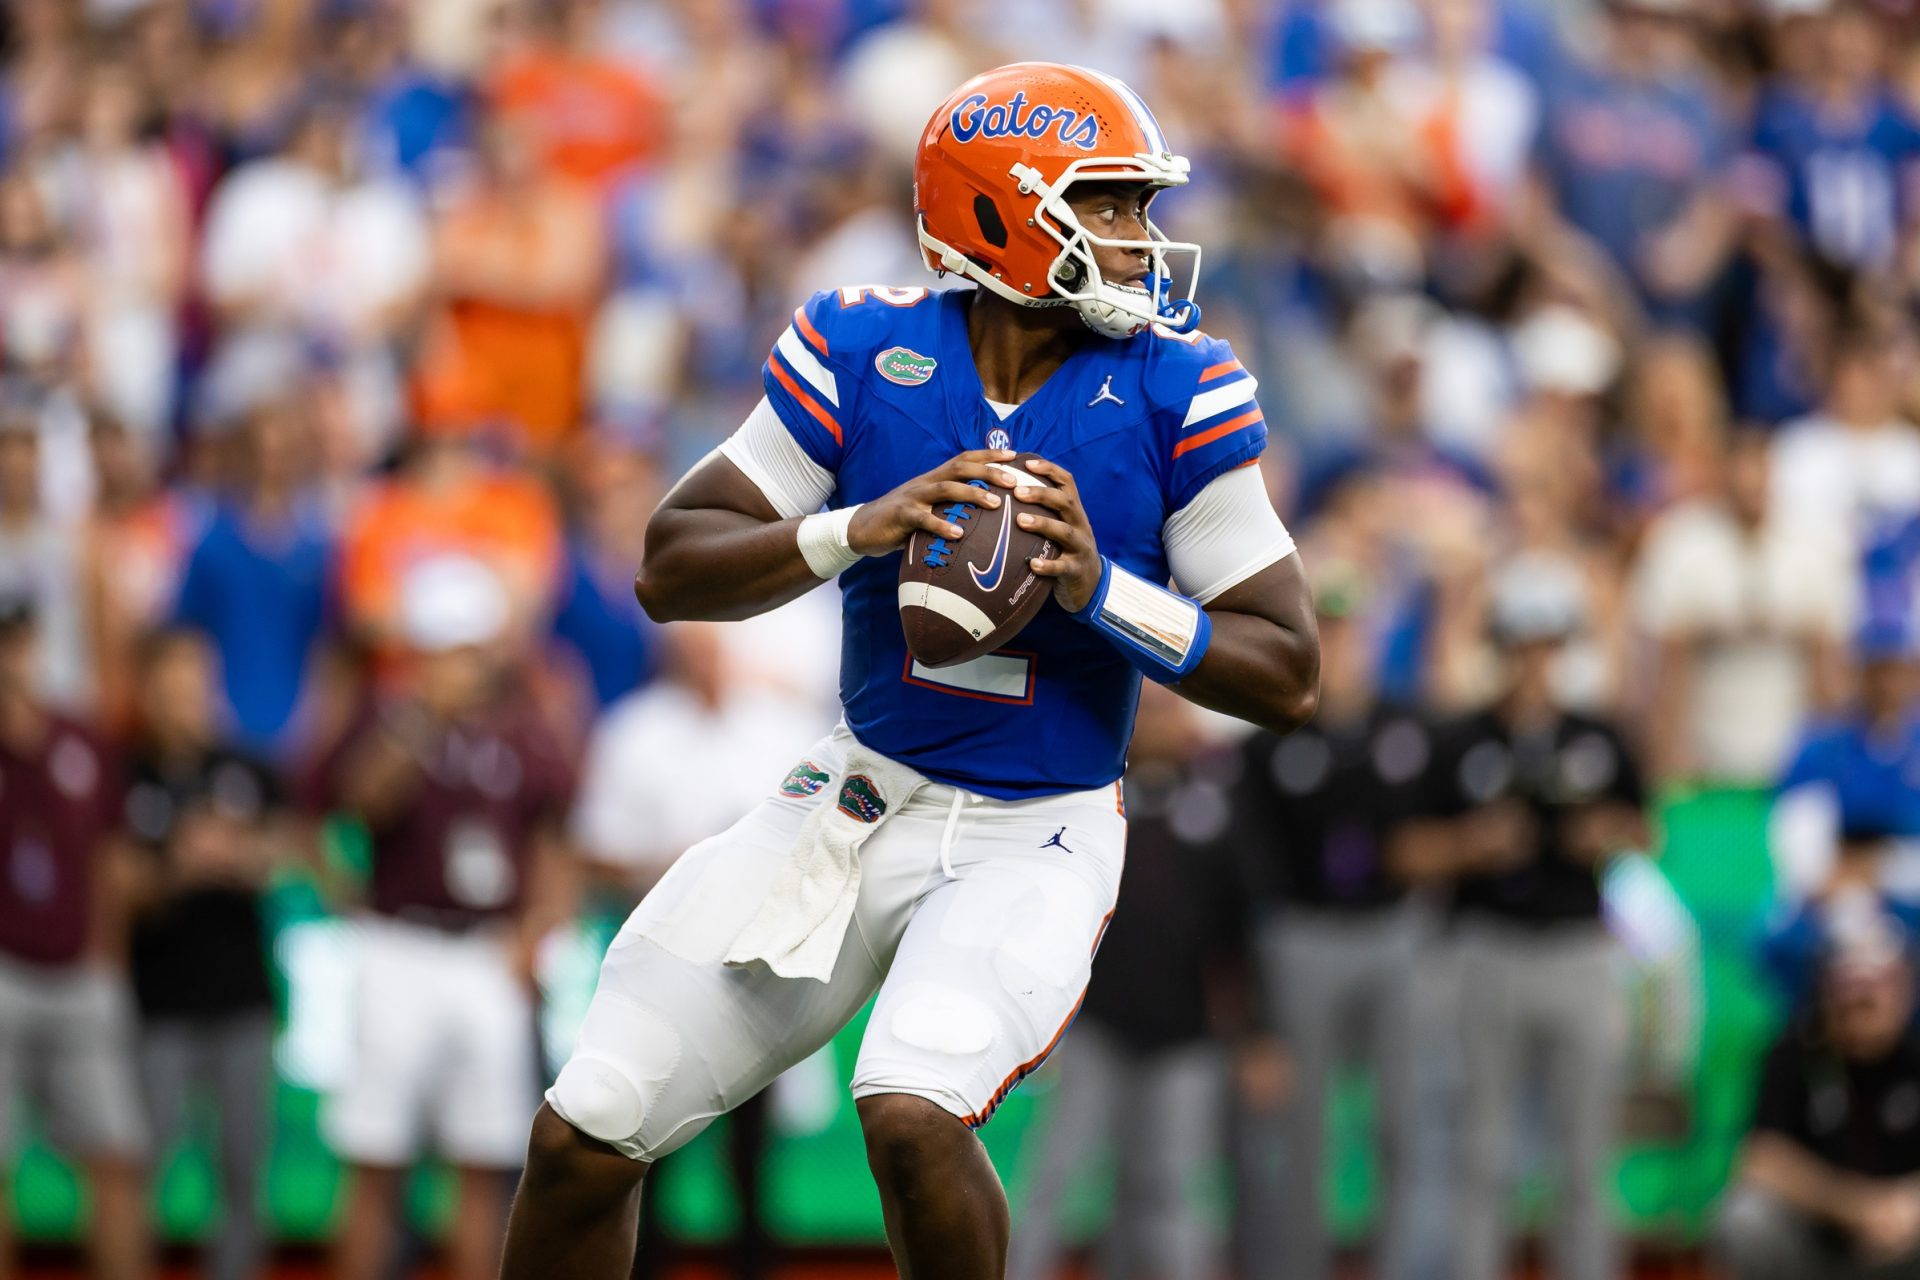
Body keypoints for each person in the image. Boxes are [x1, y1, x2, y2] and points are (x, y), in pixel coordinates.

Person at [499, 61, 1319, 1280]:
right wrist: (853, 527)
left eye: (1142, 207)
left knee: (912, 1109)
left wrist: (1105, 594)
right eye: (1107, 205)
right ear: (1000, 212)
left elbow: (1285, 664)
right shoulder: (863, 346)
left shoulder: (1177, 385)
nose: (1141, 239)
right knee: (586, 1127)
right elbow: (674, 561)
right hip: (856, 796)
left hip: (1033, 827)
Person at [314, 556, 577, 1280]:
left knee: (485, 1166)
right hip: (400, 945)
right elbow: (360, 805)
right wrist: (420, 717)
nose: (470, 663)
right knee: (376, 1158)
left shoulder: (524, 726)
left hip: (487, 952)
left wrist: (537, 932)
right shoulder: (388, 714)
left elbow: (553, 835)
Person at [1396, 559, 1649, 1280]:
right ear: (1500, 648)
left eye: (1547, 645)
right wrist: (1469, 847)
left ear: (1564, 650)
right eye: (1521, 644)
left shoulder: (1600, 735)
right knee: (1482, 1154)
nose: (1535, 661)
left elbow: (1644, 829)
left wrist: (1603, 833)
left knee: (1586, 1154)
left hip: (1578, 949)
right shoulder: (1459, 738)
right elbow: (1406, 852)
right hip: (1489, 949)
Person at [1006, 684, 1271, 1280]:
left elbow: (1242, 931)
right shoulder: (1089, 799)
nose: (1159, 724)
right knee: (1054, 1178)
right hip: (1093, 1026)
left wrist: (1256, 1032)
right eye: (1146, 711)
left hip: (1186, 1034)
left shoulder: (1218, 807)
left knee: (1172, 1190)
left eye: (1168, 710)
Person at [1229, 565, 1438, 1280]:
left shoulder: (1411, 727)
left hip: (1393, 930)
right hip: (1303, 934)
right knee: (1304, 1131)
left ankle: (1398, 1267)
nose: (1345, 646)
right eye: (1333, 629)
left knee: (1403, 1120)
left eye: (1355, 631)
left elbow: (1442, 829)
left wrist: (1432, 856)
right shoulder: (1269, 732)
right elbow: (1249, 869)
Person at [122, 627, 282, 1280]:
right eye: (174, 681)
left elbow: (297, 857)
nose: (188, 695)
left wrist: (237, 856)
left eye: (198, 680)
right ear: (149, 689)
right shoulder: (121, 772)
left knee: (244, 1168)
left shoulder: (247, 767)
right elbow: (115, 885)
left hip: (242, 997)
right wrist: (178, 869)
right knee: (142, 1162)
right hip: (155, 1001)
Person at [0, 597, 150, 1280]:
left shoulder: (81, 739)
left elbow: (112, 858)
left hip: (80, 971)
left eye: (16, 640)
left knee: (116, 1155)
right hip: (5, 970)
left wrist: (106, 959)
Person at [1715, 911, 1920, 1279]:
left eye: (1874, 991)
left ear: (1904, 988)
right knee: (1746, 1216)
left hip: (1901, 1247)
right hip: (1814, 1244)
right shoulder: (1796, 1052)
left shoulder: (1914, 1056)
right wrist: (1858, 1208)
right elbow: (1761, 1158)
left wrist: (1908, 1204)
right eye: (1849, 991)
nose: (1861, 1008)